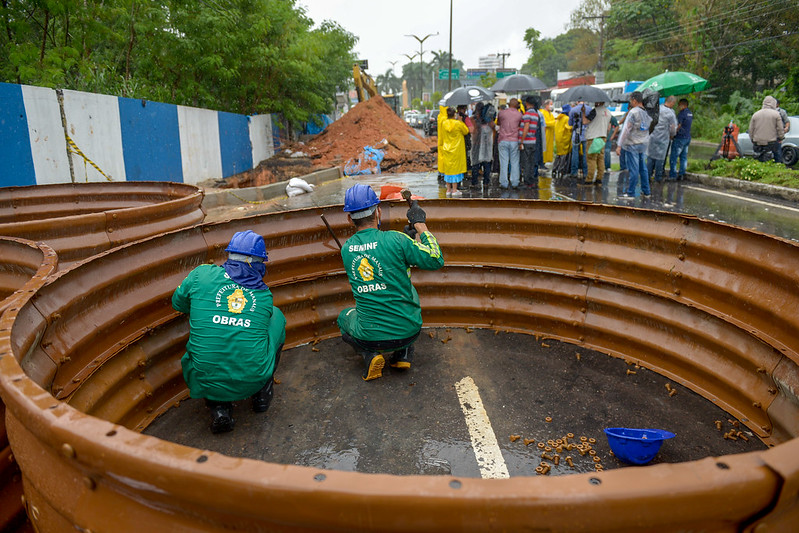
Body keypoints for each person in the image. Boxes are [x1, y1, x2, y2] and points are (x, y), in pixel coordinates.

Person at [172, 230, 287, 434]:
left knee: (208, 341)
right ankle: (262, 394)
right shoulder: (263, 296)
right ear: (260, 263)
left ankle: (219, 408)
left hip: (204, 379)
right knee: (276, 316)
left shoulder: (201, 274)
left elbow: (178, 303)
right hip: (253, 378)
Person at [338, 184, 445, 381]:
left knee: (344, 317)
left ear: (349, 219)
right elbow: (435, 259)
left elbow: (377, 257)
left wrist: (406, 241)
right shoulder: (397, 240)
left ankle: (370, 354)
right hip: (409, 331)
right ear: (378, 212)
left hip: (369, 336)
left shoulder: (347, 249)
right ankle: (403, 353)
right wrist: (420, 225)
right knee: (406, 288)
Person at [616, 91, 652, 198]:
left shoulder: (633, 112)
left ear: (635, 100)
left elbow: (626, 129)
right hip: (643, 143)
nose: (630, 102)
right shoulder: (647, 112)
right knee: (643, 168)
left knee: (634, 169)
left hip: (632, 144)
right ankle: (646, 191)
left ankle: (631, 192)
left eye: (631, 100)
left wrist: (619, 145)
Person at [440, 107, 470, 197]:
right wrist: (461, 121)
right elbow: (466, 131)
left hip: (446, 149)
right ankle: (454, 190)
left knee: (448, 170)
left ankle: (448, 189)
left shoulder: (444, 123)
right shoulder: (458, 124)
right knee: (456, 170)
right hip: (457, 150)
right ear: (454, 114)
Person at [647, 96, 678, 182]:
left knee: (650, 157)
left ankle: (648, 175)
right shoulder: (671, 113)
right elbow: (673, 127)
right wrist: (672, 135)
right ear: (672, 102)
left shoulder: (657, 109)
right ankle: (658, 177)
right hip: (663, 138)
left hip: (652, 136)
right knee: (660, 158)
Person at [583, 101, 612, 185]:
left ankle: (589, 180)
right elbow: (609, 127)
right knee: (600, 159)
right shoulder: (608, 112)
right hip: (603, 137)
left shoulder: (595, 111)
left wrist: (583, 112)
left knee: (591, 159)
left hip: (593, 138)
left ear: (598, 102)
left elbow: (585, 121)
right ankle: (599, 179)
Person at [748, 95, 785, 163]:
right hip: (771, 142)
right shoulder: (776, 114)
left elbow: (751, 129)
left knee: (758, 160)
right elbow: (780, 128)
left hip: (757, 142)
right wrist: (781, 138)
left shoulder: (756, 114)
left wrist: (752, 139)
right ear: (774, 103)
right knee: (776, 159)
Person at [497, 98, 523, 188]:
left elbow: (498, 123)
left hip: (503, 139)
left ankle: (504, 183)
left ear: (508, 104)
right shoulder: (519, 115)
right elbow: (520, 126)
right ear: (517, 105)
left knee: (503, 162)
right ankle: (515, 182)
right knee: (515, 162)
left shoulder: (501, 113)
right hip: (514, 140)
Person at [470, 101, 496, 188]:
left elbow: (473, 131)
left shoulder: (473, 119)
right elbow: (494, 129)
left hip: (476, 144)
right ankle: (486, 182)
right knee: (487, 163)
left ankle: (475, 182)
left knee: (475, 164)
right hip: (487, 145)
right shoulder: (488, 120)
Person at [669, 98, 693, 180]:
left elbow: (678, 125)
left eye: (679, 105)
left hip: (680, 138)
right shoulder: (690, 113)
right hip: (687, 138)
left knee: (674, 157)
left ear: (683, 105)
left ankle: (672, 175)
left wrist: (672, 134)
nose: (678, 107)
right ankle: (681, 174)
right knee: (683, 157)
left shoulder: (681, 114)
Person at [519, 96, 540, 187]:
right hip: (533, 141)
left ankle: (527, 181)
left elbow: (526, 127)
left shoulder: (527, 114)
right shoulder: (536, 114)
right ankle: (531, 181)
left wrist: (521, 141)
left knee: (526, 162)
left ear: (527, 103)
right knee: (531, 162)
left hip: (526, 141)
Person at [569, 101, 591, 178]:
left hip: (576, 134)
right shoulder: (589, 109)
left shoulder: (573, 110)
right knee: (585, 153)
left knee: (575, 153)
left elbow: (570, 123)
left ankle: (574, 172)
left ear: (577, 101)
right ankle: (585, 172)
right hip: (586, 134)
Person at [552, 104, 573, 178]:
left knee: (558, 155)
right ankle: (561, 170)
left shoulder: (559, 118)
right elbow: (569, 127)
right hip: (565, 139)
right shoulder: (566, 118)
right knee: (563, 156)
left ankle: (554, 169)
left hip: (558, 139)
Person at [541, 99, 556, 165]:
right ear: (546, 105)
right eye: (550, 104)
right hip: (545, 133)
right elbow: (545, 123)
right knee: (545, 147)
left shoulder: (551, 114)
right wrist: (554, 122)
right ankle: (543, 161)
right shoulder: (542, 113)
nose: (551, 106)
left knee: (549, 147)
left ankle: (548, 160)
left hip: (550, 133)